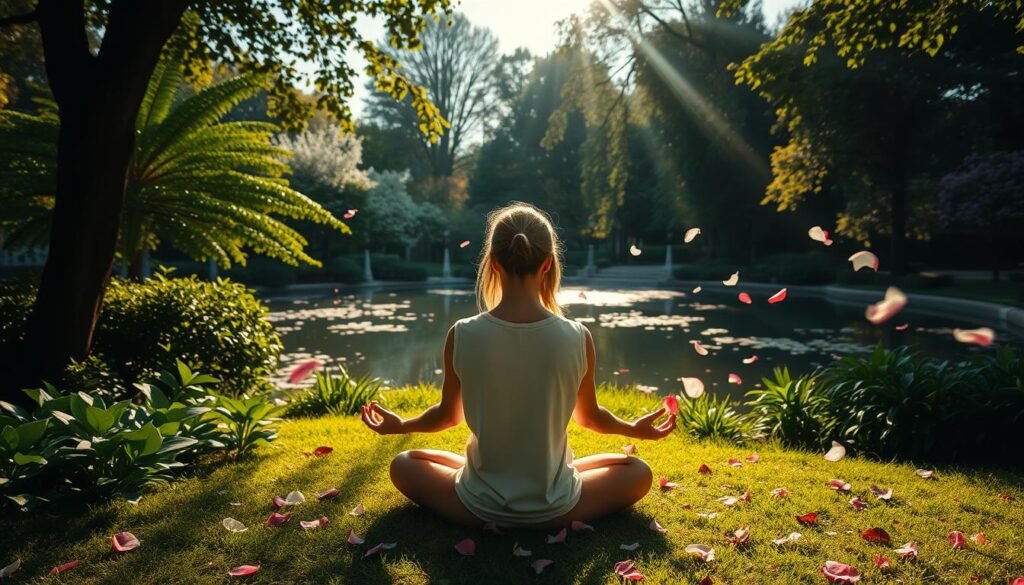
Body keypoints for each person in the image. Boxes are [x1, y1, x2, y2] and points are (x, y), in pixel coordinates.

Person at [360, 202, 676, 528]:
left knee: (405, 463)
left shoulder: (463, 333)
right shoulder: (577, 336)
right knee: (638, 472)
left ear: (493, 263)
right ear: (548, 264)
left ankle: (492, 485)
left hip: (477, 507)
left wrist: (400, 425)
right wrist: (633, 429)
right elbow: (590, 418)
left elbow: (447, 417)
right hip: (558, 508)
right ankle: (543, 494)